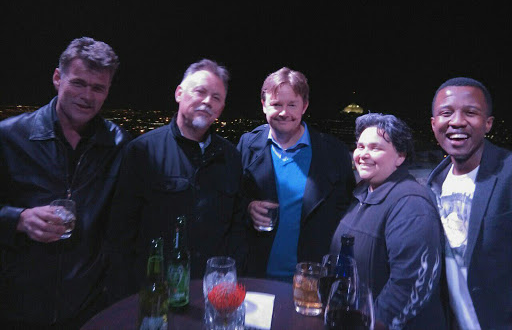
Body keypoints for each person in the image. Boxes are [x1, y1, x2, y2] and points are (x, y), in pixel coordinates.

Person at [0, 37, 130, 329]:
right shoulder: (9, 137)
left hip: (88, 308)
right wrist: (18, 219)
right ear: (58, 78)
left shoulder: (119, 145)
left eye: (98, 88)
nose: (87, 95)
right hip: (16, 307)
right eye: (78, 83)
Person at [105, 59, 247, 301]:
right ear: (179, 93)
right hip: (154, 294)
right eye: (200, 92)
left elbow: (235, 226)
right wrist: (124, 296)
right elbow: (120, 230)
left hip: (211, 293)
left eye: (216, 97)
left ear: (222, 107)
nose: (207, 102)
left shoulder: (231, 156)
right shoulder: (142, 151)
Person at [330, 113, 446, 330]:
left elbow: (409, 284)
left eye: (375, 148)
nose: (363, 154)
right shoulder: (361, 194)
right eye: (360, 146)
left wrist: (374, 324)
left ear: (400, 156)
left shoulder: (411, 204)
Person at [237, 67, 355, 281]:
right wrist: (248, 207)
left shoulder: (333, 152)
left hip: (312, 280)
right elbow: (232, 200)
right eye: (276, 104)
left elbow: (346, 212)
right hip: (255, 276)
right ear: (264, 105)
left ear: (305, 106)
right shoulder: (246, 145)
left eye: (292, 104)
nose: (284, 112)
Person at [428, 77, 512, 330]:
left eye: (471, 112)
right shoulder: (433, 185)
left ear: (488, 123)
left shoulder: (508, 173)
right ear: (434, 124)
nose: (456, 121)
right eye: (446, 113)